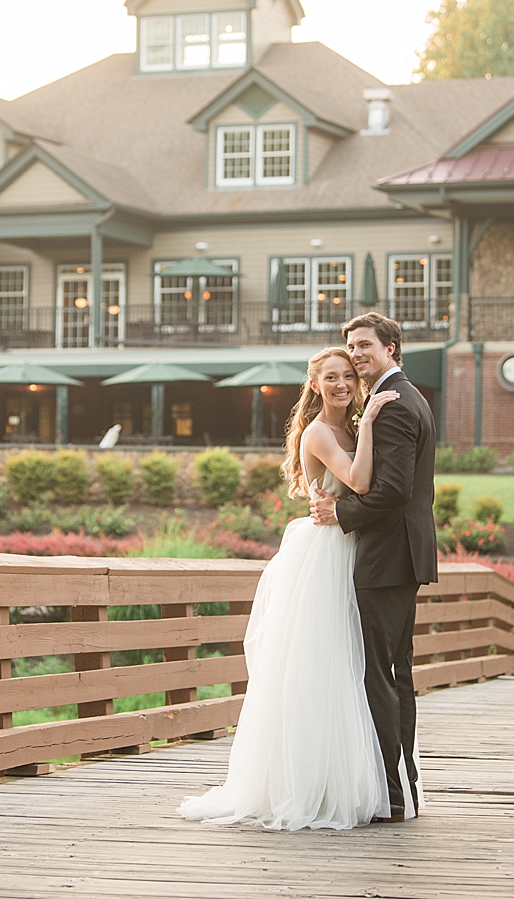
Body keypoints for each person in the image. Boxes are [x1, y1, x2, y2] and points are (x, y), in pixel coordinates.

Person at [177, 346, 399, 830]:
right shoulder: (322, 431)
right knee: (320, 665)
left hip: (347, 547)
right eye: (331, 378)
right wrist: (372, 425)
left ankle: (340, 778)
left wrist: (366, 425)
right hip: (324, 556)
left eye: (347, 376)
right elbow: (359, 479)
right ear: (315, 385)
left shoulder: (349, 425)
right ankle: (308, 786)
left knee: (346, 667)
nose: (342, 384)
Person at [310, 312, 438, 822]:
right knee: (394, 673)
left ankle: (390, 795)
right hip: (398, 556)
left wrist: (339, 512)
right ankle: (398, 789)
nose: (358, 355)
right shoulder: (398, 398)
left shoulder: (396, 405)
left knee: (379, 675)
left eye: (365, 346)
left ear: (391, 348)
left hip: (387, 556)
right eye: (351, 347)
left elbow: (391, 492)